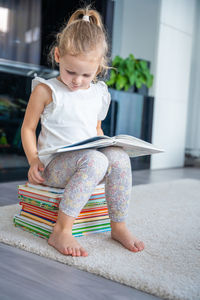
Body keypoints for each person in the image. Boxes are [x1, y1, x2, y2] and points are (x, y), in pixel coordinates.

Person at [21, 6, 144, 257]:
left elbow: (96, 129)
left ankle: (118, 226)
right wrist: (34, 160)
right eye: (70, 72)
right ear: (57, 55)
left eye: (86, 75)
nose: (77, 80)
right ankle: (62, 229)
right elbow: (28, 128)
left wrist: (107, 141)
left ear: (99, 67)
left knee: (118, 157)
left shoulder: (98, 93)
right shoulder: (46, 90)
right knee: (95, 160)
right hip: (55, 166)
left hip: (89, 161)